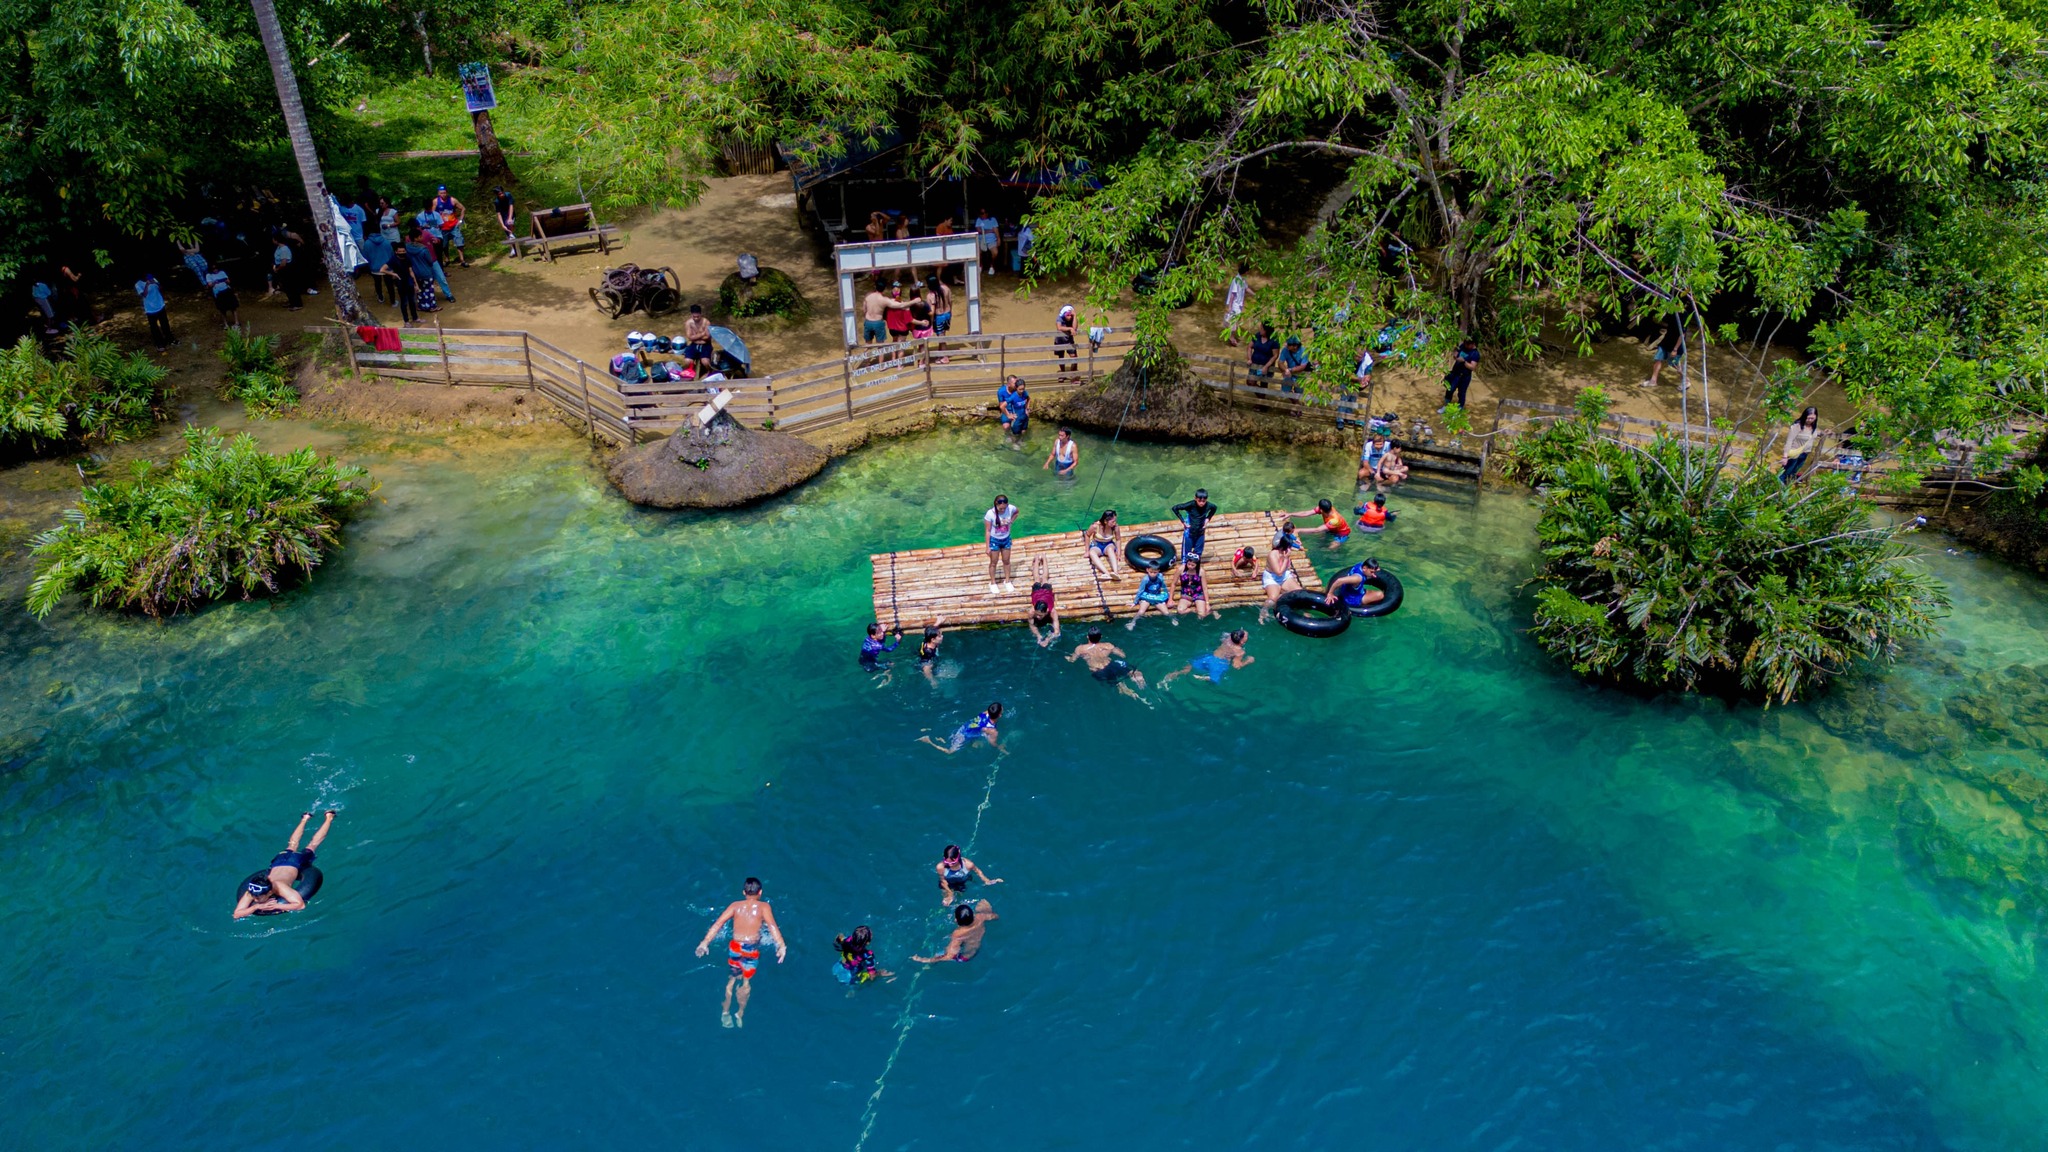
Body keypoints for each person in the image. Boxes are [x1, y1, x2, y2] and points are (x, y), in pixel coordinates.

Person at [694, 877, 787, 1029]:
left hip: (736, 947)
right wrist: (781, 945)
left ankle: (725, 1012)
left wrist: (705, 942)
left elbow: (718, 924)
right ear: (760, 892)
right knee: (746, 982)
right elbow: (772, 926)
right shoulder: (764, 907)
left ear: (743, 892)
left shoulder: (735, 905)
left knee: (731, 980)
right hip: (751, 949)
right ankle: (740, 1012)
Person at [232, 810, 336, 918]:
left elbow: (300, 906)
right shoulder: (252, 891)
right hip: (278, 862)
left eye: (258, 897)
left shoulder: (281, 888)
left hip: (295, 862)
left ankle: (329, 817)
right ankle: (305, 818)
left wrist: (277, 906)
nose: (255, 899)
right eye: (254, 896)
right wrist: (256, 907)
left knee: (312, 845)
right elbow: (236, 914)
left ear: (269, 892)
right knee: (292, 844)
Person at [1069, 628, 1147, 699]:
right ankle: (1141, 683)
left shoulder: (1080, 649)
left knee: (1119, 683)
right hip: (1111, 666)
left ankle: (1131, 694)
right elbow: (1123, 655)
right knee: (1134, 671)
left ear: (1088, 637)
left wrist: (1068, 658)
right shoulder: (1108, 645)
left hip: (1098, 671)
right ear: (1101, 636)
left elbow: (1072, 660)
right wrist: (1120, 650)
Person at [913, 900, 998, 964]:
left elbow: (950, 956)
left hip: (963, 958)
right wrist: (987, 910)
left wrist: (926, 960)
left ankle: (926, 967)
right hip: (976, 950)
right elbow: (995, 916)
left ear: (956, 921)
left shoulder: (958, 934)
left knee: (938, 954)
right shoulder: (980, 917)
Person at [1160, 629, 1254, 686]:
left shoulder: (1228, 639)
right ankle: (1204, 678)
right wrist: (1248, 661)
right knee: (1214, 681)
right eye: (1245, 635)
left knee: (1189, 667)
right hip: (1219, 664)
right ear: (1242, 642)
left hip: (1209, 658)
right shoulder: (1239, 651)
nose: (1246, 634)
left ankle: (1174, 674)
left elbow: (1225, 635)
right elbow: (1236, 666)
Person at [920, 702, 1004, 754]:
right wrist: (1000, 747)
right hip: (964, 736)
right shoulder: (993, 731)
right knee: (950, 752)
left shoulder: (986, 713)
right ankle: (928, 741)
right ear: (999, 715)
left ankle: (970, 744)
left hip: (965, 727)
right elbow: (993, 744)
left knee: (974, 742)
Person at [934, 844, 1003, 906]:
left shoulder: (968, 865)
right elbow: (943, 881)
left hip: (961, 882)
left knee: (958, 901)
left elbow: (978, 872)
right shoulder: (940, 867)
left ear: (958, 858)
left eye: (953, 862)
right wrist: (949, 893)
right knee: (945, 904)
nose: (949, 864)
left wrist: (987, 880)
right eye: (946, 862)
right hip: (947, 883)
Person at [1259, 536, 1303, 623]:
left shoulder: (1286, 552)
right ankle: (1263, 612)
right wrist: (1286, 558)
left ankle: (1302, 611)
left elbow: (1286, 568)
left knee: (1300, 593)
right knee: (1273, 598)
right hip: (1272, 577)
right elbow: (1278, 572)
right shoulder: (1273, 554)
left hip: (1284, 576)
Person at [1172, 489, 1219, 562]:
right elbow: (1175, 508)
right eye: (1199, 501)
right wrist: (1183, 522)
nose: (1201, 503)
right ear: (1195, 498)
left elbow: (1214, 508)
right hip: (1189, 532)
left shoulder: (1209, 505)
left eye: (1204, 501)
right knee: (1186, 555)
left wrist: (1208, 519)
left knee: (1198, 554)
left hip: (1201, 532)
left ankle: (1195, 569)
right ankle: (1185, 568)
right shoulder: (1190, 505)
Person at [984, 494, 1018, 592]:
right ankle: (993, 582)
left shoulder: (1010, 508)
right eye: (1001, 508)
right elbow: (988, 531)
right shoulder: (990, 514)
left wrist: (1011, 521)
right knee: (993, 562)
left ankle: (1007, 581)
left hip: (1006, 538)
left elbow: (1017, 512)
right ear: (996, 504)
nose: (1003, 510)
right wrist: (987, 547)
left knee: (1006, 561)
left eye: (1004, 508)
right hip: (994, 540)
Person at [1780, 406, 1821, 484]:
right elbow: (1789, 441)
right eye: (1808, 418)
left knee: (1793, 473)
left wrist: (1823, 433)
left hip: (1804, 454)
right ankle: (1777, 491)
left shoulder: (1813, 427)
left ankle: (1785, 490)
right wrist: (1785, 457)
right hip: (1794, 453)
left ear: (1816, 417)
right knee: (1785, 474)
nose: (1809, 420)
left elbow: (1813, 434)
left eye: (1812, 418)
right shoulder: (1797, 426)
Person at [1027, 557, 1061, 647]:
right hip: (1037, 594)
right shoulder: (1032, 612)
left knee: (1045, 578)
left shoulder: (1053, 612)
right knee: (1037, 579)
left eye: (1040, 615)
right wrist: (1038, 636)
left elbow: (1057, 631)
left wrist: (1047, 640)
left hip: (1046, 593)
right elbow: (1031, 625)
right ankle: (1037, 560)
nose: (1038, 617)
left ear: (1046, 612)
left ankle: (1044, 559)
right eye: (1037, 614)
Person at [1644, 315, 1685, 388]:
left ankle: (1686, 380)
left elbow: (1682, 334)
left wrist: (1675, 349)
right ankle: (1653, 381)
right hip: (1665, 342)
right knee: (1658, 359)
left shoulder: (1683, 315)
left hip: (1675, 346)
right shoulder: (1671, 311)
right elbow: (1665, 322)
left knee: (1674, 365)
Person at [133, 272, 172, 349]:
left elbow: (161, 289)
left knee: (165, 323)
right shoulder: (138, 284)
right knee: (154, 327)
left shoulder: (153, 279)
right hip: (150, 309)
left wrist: (156, 283)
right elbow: (144, 295)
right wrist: (147, 285)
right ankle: (159, 343)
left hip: (160, 305)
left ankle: (170, 339)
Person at [432, 186, 468, 267]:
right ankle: (447, 259)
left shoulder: (452, 200)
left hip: (454, 225)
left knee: (459, 241)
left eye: (444, 193)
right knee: (444, 244)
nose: (443, 195)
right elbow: (432, 213)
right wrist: (435, 224)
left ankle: (462, 260)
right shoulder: (435, 202)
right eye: (441, 193)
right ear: (438, 193)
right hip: (442, 227)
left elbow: (463, 208)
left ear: (447, 192)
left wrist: (461, 220)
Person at [1083, 510, 1123, 580]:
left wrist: (1119, 552)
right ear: (1105, 521)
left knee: (1110, 550)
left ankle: (1116, 573)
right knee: (1092, 553)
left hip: (1108, 544)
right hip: (1097, 545)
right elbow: (1087, 535)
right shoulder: (1095, 526)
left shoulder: (1115, 527)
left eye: (1115, 521)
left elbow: (1118, 539)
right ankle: (1107, 573)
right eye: (1112, 521)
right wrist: (1087, 551)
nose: (1115, 523)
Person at [201, 262, 240, 328]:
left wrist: (224, 280)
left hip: (227, 291)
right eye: (213, 269)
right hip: (218, 293)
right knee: (222, 309)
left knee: (233, 307)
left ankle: (237, 322)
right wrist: (215, 282)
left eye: (216, 268)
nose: (215, 270)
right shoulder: (209, 275)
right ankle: (226, 324)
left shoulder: (222, 272)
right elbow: (210, 285)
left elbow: (228, 281)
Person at [1442, 338, 1478, 410]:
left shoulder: (1475, 354)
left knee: (1461, 393)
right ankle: (1446, 406)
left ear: (1473, 344)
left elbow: (1472, 367)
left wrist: (1464, 362)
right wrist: (1455, 355)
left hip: (1464, 376)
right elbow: (1456, 351)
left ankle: (1460, 408)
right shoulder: (1463, 346)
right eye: (1465, 344)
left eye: (1467, 345)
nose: (1465, 346)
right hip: (1455, 372)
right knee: (1450, 389)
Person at [681, 305, 714, 376]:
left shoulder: (706, 322)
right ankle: (692, 370)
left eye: (697, 316)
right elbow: (690, 337)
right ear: (691, 315)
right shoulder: (688, 323)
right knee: (687, 361)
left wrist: (695, 336)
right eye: (694, 317)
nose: (696, 318)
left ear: (700, 314)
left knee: (705, 361)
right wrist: (702, 334)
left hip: (706, 345)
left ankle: (710, 372)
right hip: (694, 344)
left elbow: (707, 337)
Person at [271, 234, 301, 310]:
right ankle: (292, 302)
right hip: (281, 269)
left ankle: (297, 304)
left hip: (287, 269)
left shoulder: (284, 249)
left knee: (291, 286)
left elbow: (283, 263)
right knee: (287, 287)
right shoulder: (278, 248)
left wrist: (277, 269)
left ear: (276, 240)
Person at [1223, 266, 1249, 344]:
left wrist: (1255, 294)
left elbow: (1246, 288)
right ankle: (1232, 338)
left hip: (1239, 305)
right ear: (1245, 272)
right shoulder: (1236, 281)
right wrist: (1230, 306)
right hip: (1235, 305)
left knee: (1236, 321)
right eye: (1247, 271)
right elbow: (1232, 295)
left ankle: (1231, 336)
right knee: (1233, 322)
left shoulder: (1243, 280)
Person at [917, 617, 947, 685]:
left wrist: (938, 622)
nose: (942, 637)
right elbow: (926, 669)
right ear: (933, 640)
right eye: (939, 636)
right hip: (923, 664)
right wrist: (932, 681)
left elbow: (929, 632)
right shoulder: (929, 653)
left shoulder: (927, 640)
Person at [1002, 381, 1030, 450]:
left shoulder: (1025, 393)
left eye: (1023, 389)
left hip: (1024, 416)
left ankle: (1020, 441)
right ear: (1016, 388)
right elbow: (1002, 406)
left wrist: (1027, 408)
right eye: (1020, 389)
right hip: (1017, 419)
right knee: (1016, 433)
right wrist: (1008, 415)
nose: (1021, 391)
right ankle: (1015, 443)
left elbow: (1028, 399)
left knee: (1023, 431)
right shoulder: (1013, 397)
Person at [973, 208, 999, 277]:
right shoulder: (978, 220)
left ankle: (992, 266)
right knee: (978, 253)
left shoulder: (993, 219)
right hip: (981, 240)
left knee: (995, 253)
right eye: (982, 213)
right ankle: (980, 265)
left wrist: (998, 239)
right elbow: (979, 230)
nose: (983, 214)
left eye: (985, 213)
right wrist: (990, 230)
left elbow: (995, 230)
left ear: (987, 213)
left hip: (991, 240)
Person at [1053, 305, 1078, 373]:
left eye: (1070, 314)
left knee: (1074, 356)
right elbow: (1059, 327)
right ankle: (1062, 373)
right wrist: (1070, 328)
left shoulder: (1073, 318)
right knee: (1061, 357)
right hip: (1060, 340)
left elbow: (1075, 328)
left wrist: (1075, 316)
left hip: (1069, 340)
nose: (1069, 316)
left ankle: (1073, 374)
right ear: (1064, 314)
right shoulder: (1059, 318)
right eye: (1067, 315)